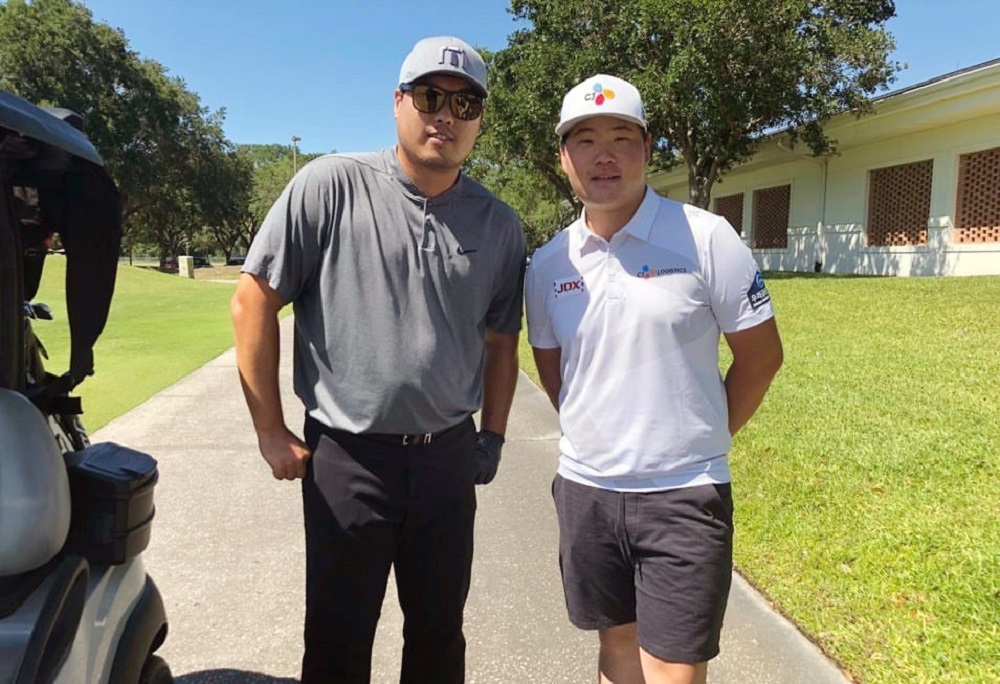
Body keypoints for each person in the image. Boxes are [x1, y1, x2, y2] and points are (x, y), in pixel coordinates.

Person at [230, 36, 526, 684]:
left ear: (479, 120)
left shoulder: (499, 226)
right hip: (348, 458)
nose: (444, 114)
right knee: (337, 641)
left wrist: (494, 436)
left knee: (439, 637)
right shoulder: (330, 186)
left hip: (448, 455)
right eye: (429, 96)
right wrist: (270, 431)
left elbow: (503, 341)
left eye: (464, 102)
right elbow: (252, 301)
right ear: (398, 102)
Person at [525, 75, 784, 684]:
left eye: (622, 137)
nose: (604, 154)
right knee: (616, 644)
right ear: (564, 158)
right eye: (584, 140)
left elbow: (761, 357)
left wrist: (703, 435)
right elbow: (553, 369)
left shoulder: (705, 237)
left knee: (673, 667)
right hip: (587, 489)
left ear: (647, 147)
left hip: (683, 492)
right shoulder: (548, 263)